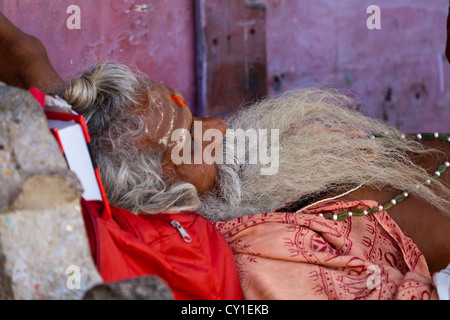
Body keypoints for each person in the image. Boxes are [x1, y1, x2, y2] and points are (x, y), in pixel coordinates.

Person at [1, 10, 449, 300]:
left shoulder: (252, 165)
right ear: (162, 198)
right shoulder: (260, 264)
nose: (218, 127)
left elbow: (29, 60)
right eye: (192, 137)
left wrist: (37, 69)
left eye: (194, 112)